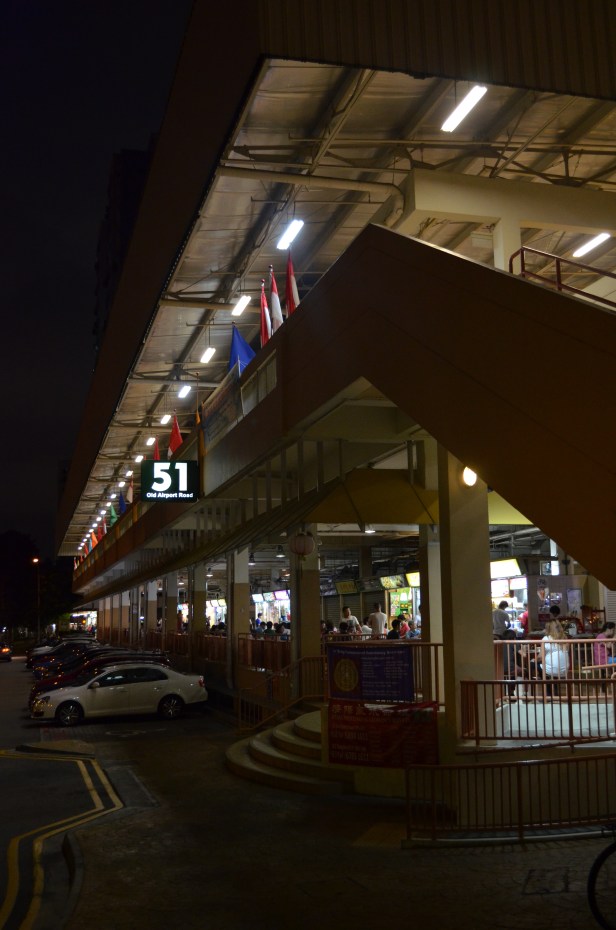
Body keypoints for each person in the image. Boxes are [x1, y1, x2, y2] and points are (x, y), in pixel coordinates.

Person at [541, 618, 569, 698]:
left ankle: (547, 694)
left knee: (534, 665)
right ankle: (554, 692)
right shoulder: (565, 638)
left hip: (551, 669)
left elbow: (540, 656)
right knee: (550, 669)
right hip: (564, 669)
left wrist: (534, 660)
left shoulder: (546, 639)